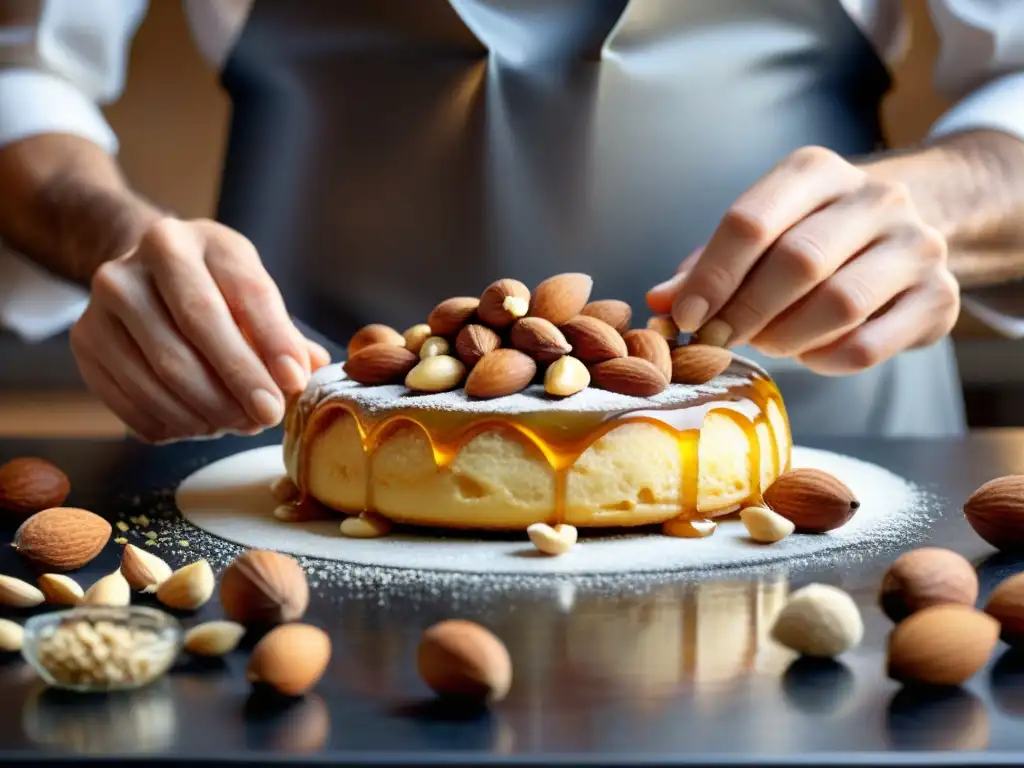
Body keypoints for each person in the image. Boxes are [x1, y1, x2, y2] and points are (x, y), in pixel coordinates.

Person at [1, 1, 1022, 444]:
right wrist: (117, 242)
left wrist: (935, 201)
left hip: (820, 449)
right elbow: (21, 74)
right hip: (299, 436)